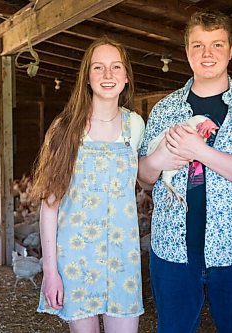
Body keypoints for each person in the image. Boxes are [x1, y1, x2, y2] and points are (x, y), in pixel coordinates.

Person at [138, 11, 232, 333]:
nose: (207, 54)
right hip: (172, 250)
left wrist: (200, 152)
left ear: (231, 50)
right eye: (198, 45)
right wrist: (155, 162)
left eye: (217, 44)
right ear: (187, 52)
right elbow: (144, 177)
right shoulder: (164, 109)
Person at [31, 37, 145, 333]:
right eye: (98, 67)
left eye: (115, 67)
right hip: (76, 259)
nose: (108, 75)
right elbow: (50, 205)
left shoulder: (135, 126)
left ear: (126, 76)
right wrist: (50, 270)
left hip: (123, 258)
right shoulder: (65, 128)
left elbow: (149, 173)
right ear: (87, 77)